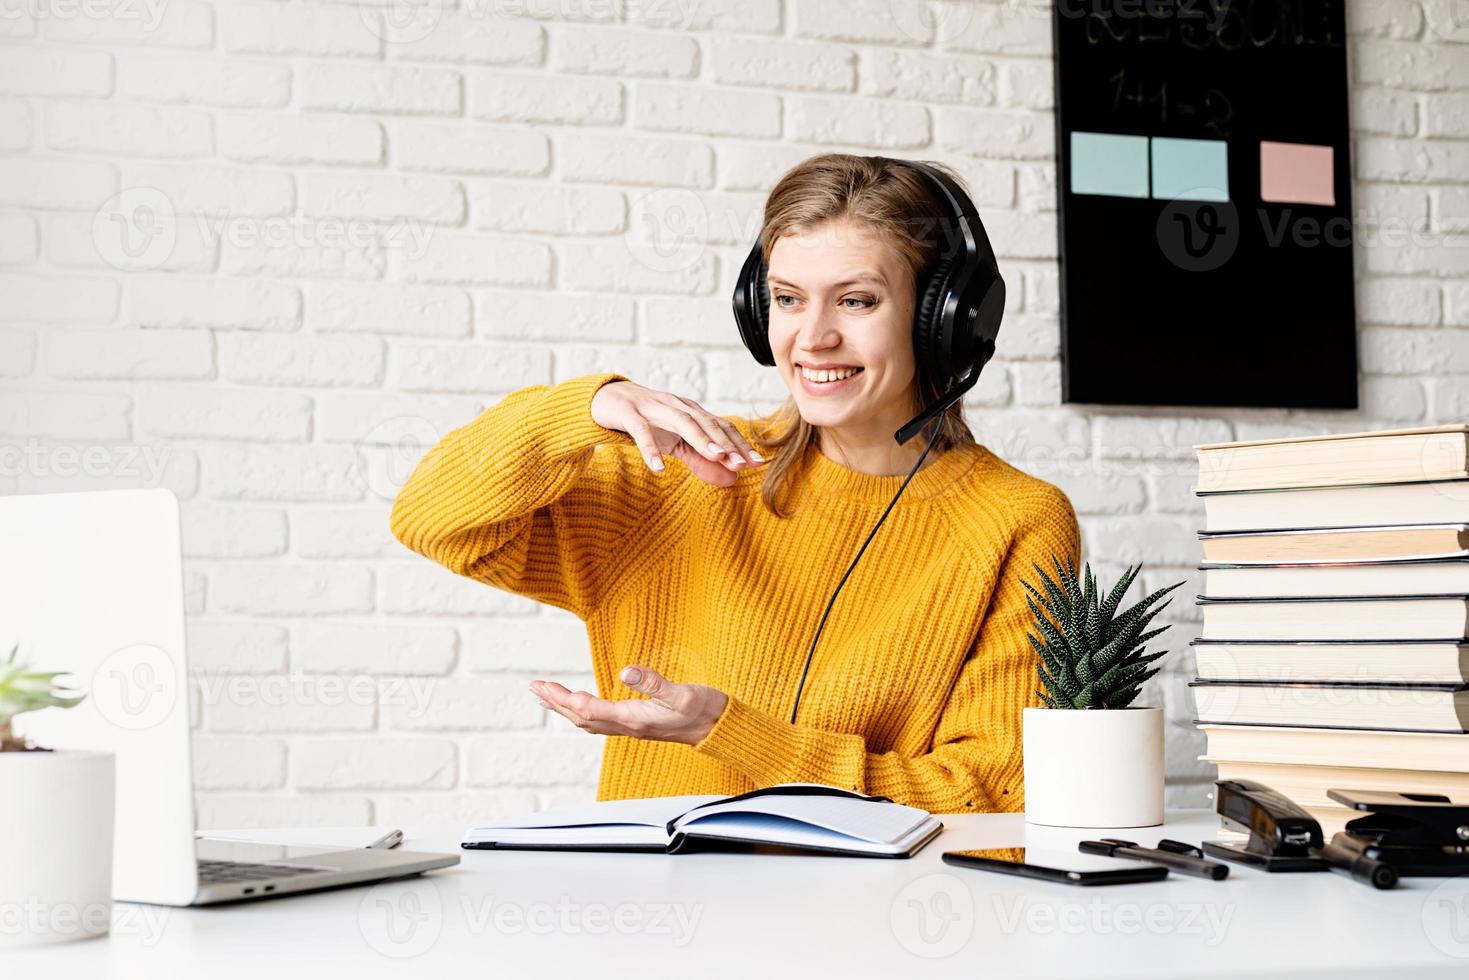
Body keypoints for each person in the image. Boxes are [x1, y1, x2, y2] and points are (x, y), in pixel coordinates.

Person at [390, 153, 1082, 814]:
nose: (812, 338)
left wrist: (733, 733)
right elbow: (432, 519)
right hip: (658, 919)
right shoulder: (684, 471)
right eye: (786, 299)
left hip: (879, 923)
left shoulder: (1015, 519)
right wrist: (583, 409)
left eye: (856, 301)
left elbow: (988, 790)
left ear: (944, 321)